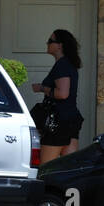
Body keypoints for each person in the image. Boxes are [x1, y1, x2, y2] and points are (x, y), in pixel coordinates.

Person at [32, 28, 83, 163]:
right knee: (67, 168)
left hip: (58, 122)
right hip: (70, 118)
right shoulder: (68, 64)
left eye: (50, 41)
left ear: (60, 45)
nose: (47, 43)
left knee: (47, 167)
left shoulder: (62, 65)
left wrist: (41, 88)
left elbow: (62, 93)